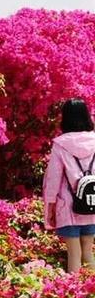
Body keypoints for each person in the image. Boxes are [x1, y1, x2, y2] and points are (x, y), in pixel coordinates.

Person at [43, 98, 95, 272]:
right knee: (88, 251)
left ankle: (75, 294)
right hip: (92, 205)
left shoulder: (60, 144)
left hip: (68, 207)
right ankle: (90, 294)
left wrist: (50, 207)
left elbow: (53, 180)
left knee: (74, 253)